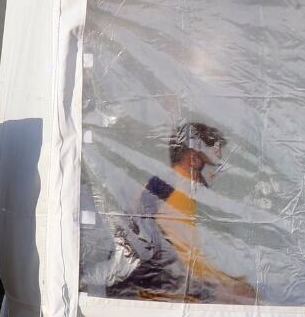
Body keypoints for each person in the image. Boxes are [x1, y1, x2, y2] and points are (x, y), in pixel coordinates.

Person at [104, 121, 255, 304]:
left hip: (141, 288)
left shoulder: (162, 183)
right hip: (147, 296)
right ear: (193, 159)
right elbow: (186, 261)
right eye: (215, 162)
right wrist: (224, 287)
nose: (217, 172)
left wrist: (228, 280)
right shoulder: (179, 193)